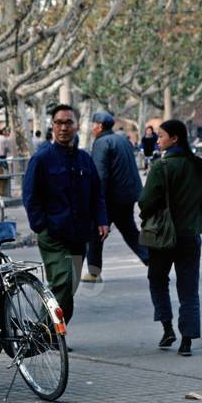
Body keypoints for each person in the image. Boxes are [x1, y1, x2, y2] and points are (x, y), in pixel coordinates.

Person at [22, 105, 108, 325]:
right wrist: (41, 226)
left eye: (68, 123)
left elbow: (97, 193)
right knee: (62, 281)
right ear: (52, 126)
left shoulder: (83, 159)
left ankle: (48, 331)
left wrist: (101, 220)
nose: (63, 127)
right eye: (59, 123)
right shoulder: (42, 159)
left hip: (79, 235)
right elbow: (30, 195)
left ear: (77, 126)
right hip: (53, 235)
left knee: (69, 286)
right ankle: (47, 333)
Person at [139, 120, 202, 356]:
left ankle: (167, 328)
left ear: (174, 139)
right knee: (189, 289)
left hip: (163, 237)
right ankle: (187, 341)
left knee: (157, 280)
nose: (158, 140)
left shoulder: (161, 167)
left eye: (161, 136)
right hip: (190, 235)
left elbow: (146, 201)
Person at [83, 111, 149, 282]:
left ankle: (94, 272)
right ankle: (152, 260)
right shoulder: (122, 139)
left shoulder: (101, 143)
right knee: (130, 231)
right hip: (127, 195)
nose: (92, 128)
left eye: (93, 124)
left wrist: (97, 201)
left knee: (95, 233)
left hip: (111, 198)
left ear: (99, 126)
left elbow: (100, 175)